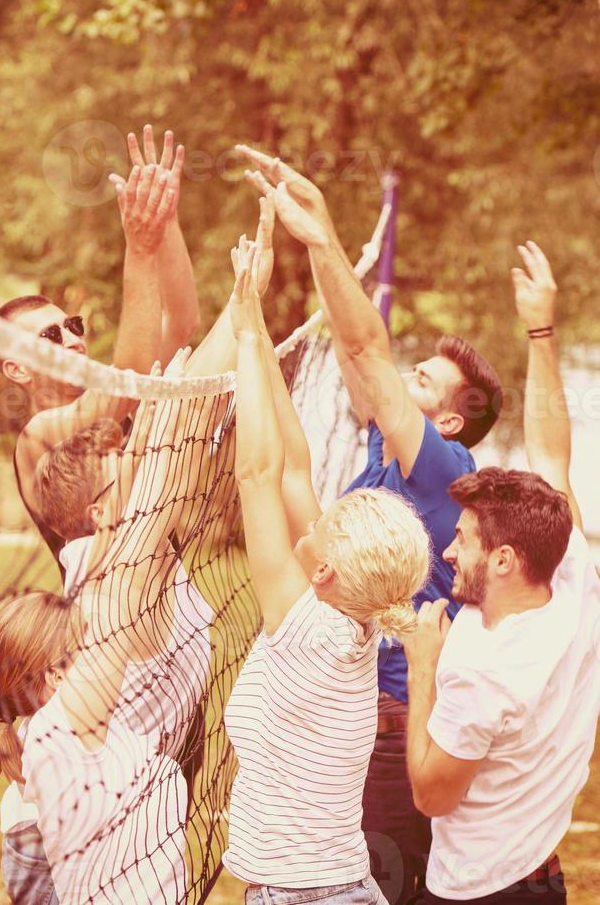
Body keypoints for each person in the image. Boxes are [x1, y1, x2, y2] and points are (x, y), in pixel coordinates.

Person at [236, 144, 503, 903]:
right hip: (355, 708)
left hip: (388, 723)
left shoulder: (443, 465)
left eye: (423, 381)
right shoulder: (381, 471)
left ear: (449, 418)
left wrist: (319, 236)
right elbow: (345, 379)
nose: (400, 378)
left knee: (379, 878)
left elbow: (363, 347)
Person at [0, 351, 220, 904]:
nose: (139, 478)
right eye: (128, 476)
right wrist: (179, 412)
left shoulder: (124, 557)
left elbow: (166, 479)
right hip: (62, 842)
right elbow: (164, 489)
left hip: (91, 815)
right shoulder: (115, 585)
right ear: (102, 512)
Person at [222, 238, 431, 905]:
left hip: (301, 896)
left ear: (324, 573)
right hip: (338, 887)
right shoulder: (352, 618)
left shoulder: (307, 628)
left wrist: (248, 327)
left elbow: (256, 473)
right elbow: (290, 470)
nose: (309, 525)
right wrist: (252, 327)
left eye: (321, 528)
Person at [403, 242, 599, 904]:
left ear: (506, 559)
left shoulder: (477, 673)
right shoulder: (570, 583)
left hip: (475, 892)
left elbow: (432, 794)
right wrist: (540, 329)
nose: (449, 553)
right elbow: (549, 449)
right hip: (544, 878)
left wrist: (424, 661)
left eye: (461, 542)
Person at [0, 127, 200, 572]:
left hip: (172, 608)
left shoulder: (108, 396)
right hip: (104, 628)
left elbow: (182, 322)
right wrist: (139, 249)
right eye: (49, 336)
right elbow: (126, 381)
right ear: (18, 370)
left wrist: (164, 222)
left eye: (72, 325)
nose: (72, 338)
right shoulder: (39, 437)